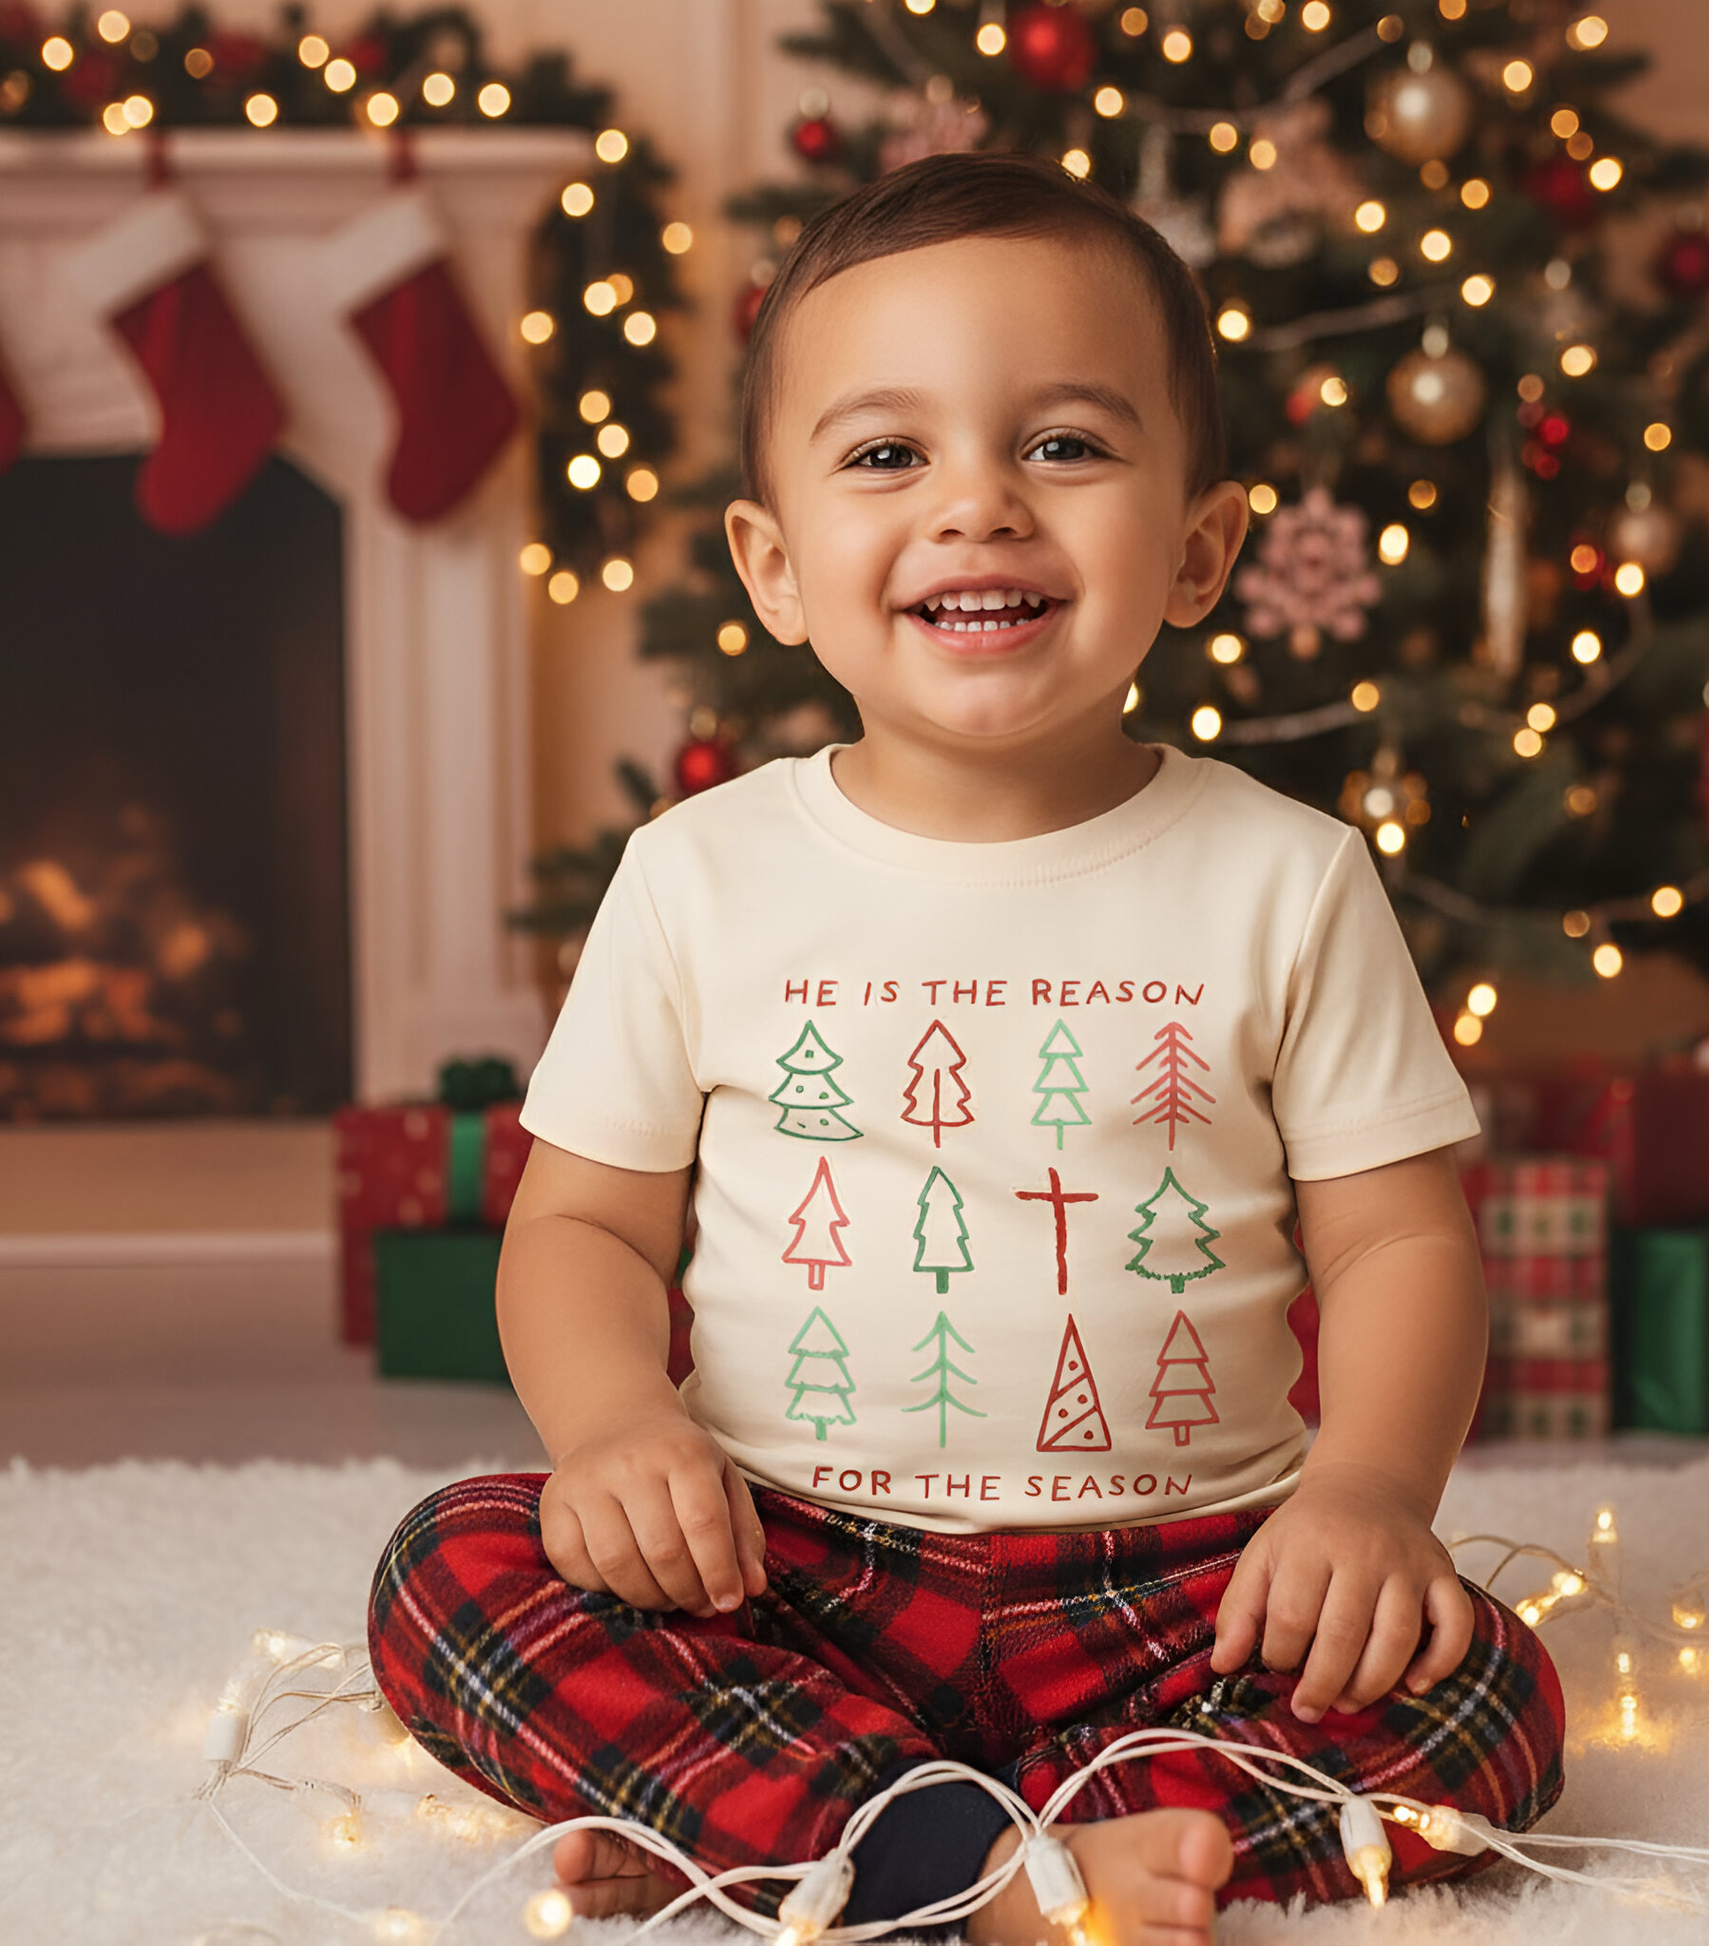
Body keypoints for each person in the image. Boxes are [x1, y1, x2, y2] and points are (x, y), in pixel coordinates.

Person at [369, 151, 1563, 1945]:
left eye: (1065, 445)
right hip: (784, 1559)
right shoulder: (702, 875)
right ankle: (959, 1862)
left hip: (1179, 1587)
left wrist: (1371, 1495)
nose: (978, 505)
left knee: (1486, 1698)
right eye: (884, 454)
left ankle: (774, 1824)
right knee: (452, 1566)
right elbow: (584, 1228)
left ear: (1199, 549)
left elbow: (1396, 1240)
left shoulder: (1286, 877)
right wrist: (617, 1427)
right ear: (773, 568)